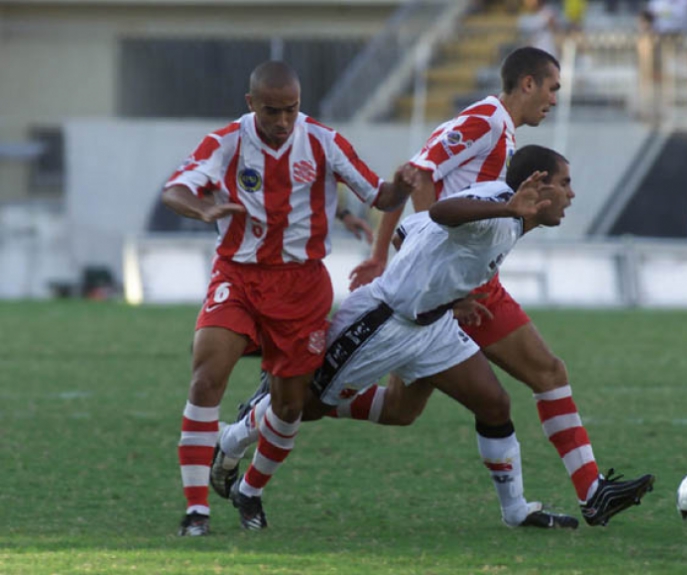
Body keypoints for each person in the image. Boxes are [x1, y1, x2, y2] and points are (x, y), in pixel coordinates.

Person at [218, 46, 655, 529]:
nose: (555, 99)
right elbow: (418, 173)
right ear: (527, 83)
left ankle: (525, 509)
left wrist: (427, 262)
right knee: (299, 406)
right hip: (400, 308)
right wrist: (402, 252)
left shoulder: (508, 172)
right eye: (552, 87)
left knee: (440, 406)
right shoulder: (489, 128)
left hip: (444, 297)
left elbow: (433, 199)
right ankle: (245, 432)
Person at [227, 146, 595, 532]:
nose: (571, 194)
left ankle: (516, 510)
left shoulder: (507, 216)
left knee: (493, 404)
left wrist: (446, 293)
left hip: (433, 327)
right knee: (303, 405)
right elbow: (439, 213)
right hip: (384, 323)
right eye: (565, 183)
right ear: (536, 184)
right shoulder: (498, 208)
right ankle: (238, 446)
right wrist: (505, 210)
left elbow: (411, 232)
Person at [164, 60, 414, 537]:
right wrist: (203, 208)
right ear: (250, 103)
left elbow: (381, 196)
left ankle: (251, 492)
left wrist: (402, 183)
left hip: (302, 288)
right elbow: (176, 189)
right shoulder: (225, 143)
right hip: (238, 277)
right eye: (272, 111)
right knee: (204, 380)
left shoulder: (324, 141)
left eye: (291, 110)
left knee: (290, 405)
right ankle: (196, 513)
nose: (282, 122)